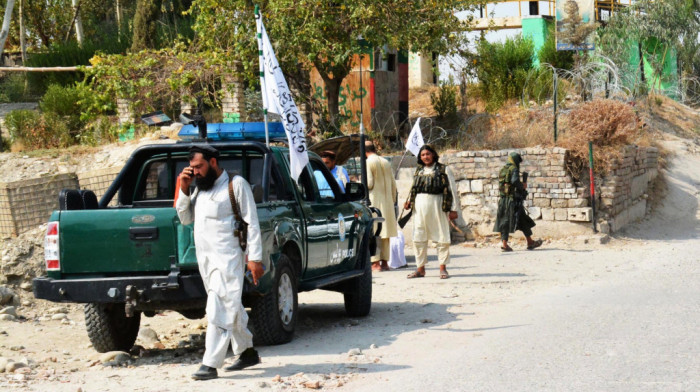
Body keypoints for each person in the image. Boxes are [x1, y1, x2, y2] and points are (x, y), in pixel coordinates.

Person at [175, 145, 264, 381]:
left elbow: (252, 223)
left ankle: (210, 363)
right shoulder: (200, 190)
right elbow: (184, 219)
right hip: (205, 261)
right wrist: (183, 189)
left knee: (219, 306)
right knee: (229, 304)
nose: (195, 172)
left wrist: (255, 259)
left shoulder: (236, 185)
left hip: (228, 259)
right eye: (192, 168)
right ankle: (247, 352)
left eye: (199, 167)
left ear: (213, 162)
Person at [403, 145, 458, 279]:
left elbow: (452, 190)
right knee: (419, 237)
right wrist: (409, 201)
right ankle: (420, 269)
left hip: (437, 204)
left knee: (441, 237)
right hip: (419, 207)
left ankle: (443, 268)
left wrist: (454, 209)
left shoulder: (444, 169)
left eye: (428, 154)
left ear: (433, 154)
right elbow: (413, 188)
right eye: (423, 155)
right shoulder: (419, 171)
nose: (425, 157)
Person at [493, 152, 543, 252]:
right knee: (522, 219)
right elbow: (514, 181)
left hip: (503, 200)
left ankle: (507, 244)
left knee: (506, 221)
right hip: (513, 202)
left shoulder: (503, 169)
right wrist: (522, 186)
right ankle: (529, 242)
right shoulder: (514, 169)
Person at [365, 140, 398, 272]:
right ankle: (385, 262)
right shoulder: (386, 162)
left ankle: (375, 263)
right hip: (388, 201)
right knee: (385, 232)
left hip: (374, 201)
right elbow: (393, 184)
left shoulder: (368, 162)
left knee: (375, 231)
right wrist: (393, 200)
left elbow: (369, 184)